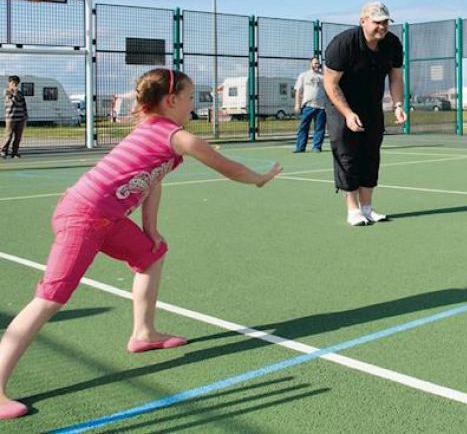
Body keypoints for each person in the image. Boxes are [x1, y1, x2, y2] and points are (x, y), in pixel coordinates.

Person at [0, 68, 282, 420]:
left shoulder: (154, 132)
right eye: (190, 97)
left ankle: (143, 333)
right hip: (84, 217)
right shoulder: (178, 137)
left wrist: (151, 228)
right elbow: (230, 168)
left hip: (105, 219)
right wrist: (259, 179)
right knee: (50, 298)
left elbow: (153, 178)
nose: (193, 104)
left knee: (152, 255)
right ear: (172, 100)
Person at [323, 1, 406, 227]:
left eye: (386, 22)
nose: (382, 26)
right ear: (363, 21)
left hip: (372, 105)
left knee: (370, 154)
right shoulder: (343, 44)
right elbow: (330, 84)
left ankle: (367, 208)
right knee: (348, 155)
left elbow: (396, 77)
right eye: (377, 22)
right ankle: (353, 210)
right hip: (341, 104)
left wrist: (398, 105)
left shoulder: (392, 44)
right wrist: (348, 114)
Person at [294, 56, 327, 153]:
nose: (317, 65)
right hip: (308, 106)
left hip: (321, 107)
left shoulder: (323, 77)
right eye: (315, 63)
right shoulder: (304, 75)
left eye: (318, 63)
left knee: (319, 127)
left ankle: (317, 147)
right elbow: (298, 91)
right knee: (303, 127)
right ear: (311, 64)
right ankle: (300, 147)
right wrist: (297, 104)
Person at [2, 75, 27, 159]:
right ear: (9, 83)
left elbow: (23, 104)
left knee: (18, 136)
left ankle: (15, 152)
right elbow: (14, 101)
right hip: (11, 117)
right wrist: (15, 91)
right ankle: (3, 151)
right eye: (13, 83)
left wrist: (25, 115)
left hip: (21, 117)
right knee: (8, 135)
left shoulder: (20, 93)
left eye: (16, 83)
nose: (15, 84)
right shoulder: (7, 92)